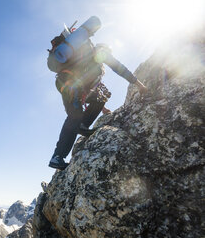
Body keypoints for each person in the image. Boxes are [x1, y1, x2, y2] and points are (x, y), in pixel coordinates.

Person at [48, 35, 148, 170]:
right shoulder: (98, 55)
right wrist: (139, 84)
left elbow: (92, 87)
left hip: (67, 85)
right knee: (74, 117)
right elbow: (120, 68)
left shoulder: (90, 63)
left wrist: (102, 108)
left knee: (101, 97)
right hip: (71, 86)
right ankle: (58, 156)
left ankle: (82, 125)